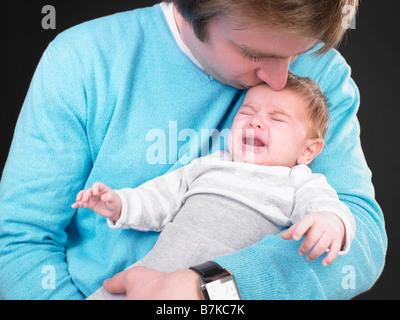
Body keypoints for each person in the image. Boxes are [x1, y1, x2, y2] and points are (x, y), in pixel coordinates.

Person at [0, 0, 386, 300]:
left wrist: (209, 290)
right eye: (253, 53)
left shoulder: (321, 72)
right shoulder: (82, 60)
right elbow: (19, 240)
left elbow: (359, 237)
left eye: (295, 54)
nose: (281, 78)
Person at [71, 75, 356, 300]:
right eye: (247, 112)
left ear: (308, 151)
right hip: (152, 273)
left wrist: (331, 222)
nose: (256, 121)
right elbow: (158, 198)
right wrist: (119, 204)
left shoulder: (299, 182)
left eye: (277, 118)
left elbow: (328, 206)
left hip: (215, 291)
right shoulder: (209, 165)